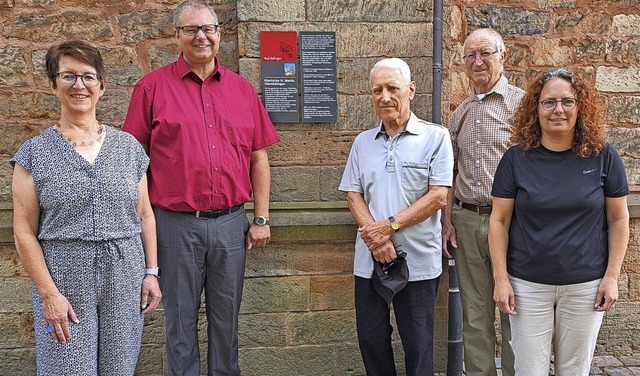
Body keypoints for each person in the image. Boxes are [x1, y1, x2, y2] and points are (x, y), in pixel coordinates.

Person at [122, 1, 280, 375]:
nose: (201, 36)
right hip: (174, 225)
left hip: (231, 225)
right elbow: (133, 161)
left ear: (219, 34)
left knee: (227, 323)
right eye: (192, 29)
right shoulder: (151, 88)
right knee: (179, 324)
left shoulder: (242, 90)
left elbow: (259, 157)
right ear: (177, 36)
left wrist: (261, 217)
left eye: (208, 28)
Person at [11, 40, 161, 375]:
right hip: (63, 276)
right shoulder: (33, 154)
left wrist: (151, 272)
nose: (80, 85)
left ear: (102, 86)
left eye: (89, 77)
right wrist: (49, 294)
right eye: (69, 77)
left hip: (125, 274)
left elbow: (145, 214)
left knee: (119, 369)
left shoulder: (129, 148)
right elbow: (23, 230)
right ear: (54, 86)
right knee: (66, 368)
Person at [489, 68, 630, 375]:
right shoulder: (515, 159)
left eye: (568, 101)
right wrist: (501, 279)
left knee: (574, 370)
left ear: (580, 107)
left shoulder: (604, 156)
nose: (558, 110)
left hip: (586, 285)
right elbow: (499, 221)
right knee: (529, 370)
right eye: (548, 102)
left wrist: (612, 277)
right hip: (527, 284)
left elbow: (619, 219)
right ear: (535, 109)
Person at [339, 57, 453, 376]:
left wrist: (390, 227)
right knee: (372, 340)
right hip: (369, 260)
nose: (385, 97)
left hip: (417, 260)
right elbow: (353, 194)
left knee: (418, 345)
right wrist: (376, 242)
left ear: (411, 90)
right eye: (377, 90)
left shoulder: (436, 137)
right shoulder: (363, 143)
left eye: (392, 88)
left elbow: (438, 196)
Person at [441, 28, 523, 376]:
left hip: (513, 223)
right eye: (471, 55)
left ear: (502, 56)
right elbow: (449, 175)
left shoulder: (522, 106)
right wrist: (447, 222)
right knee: (474, 313)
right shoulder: (459, 114)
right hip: (467, 221)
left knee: (515, 309)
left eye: (485, 53)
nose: (478, 61)